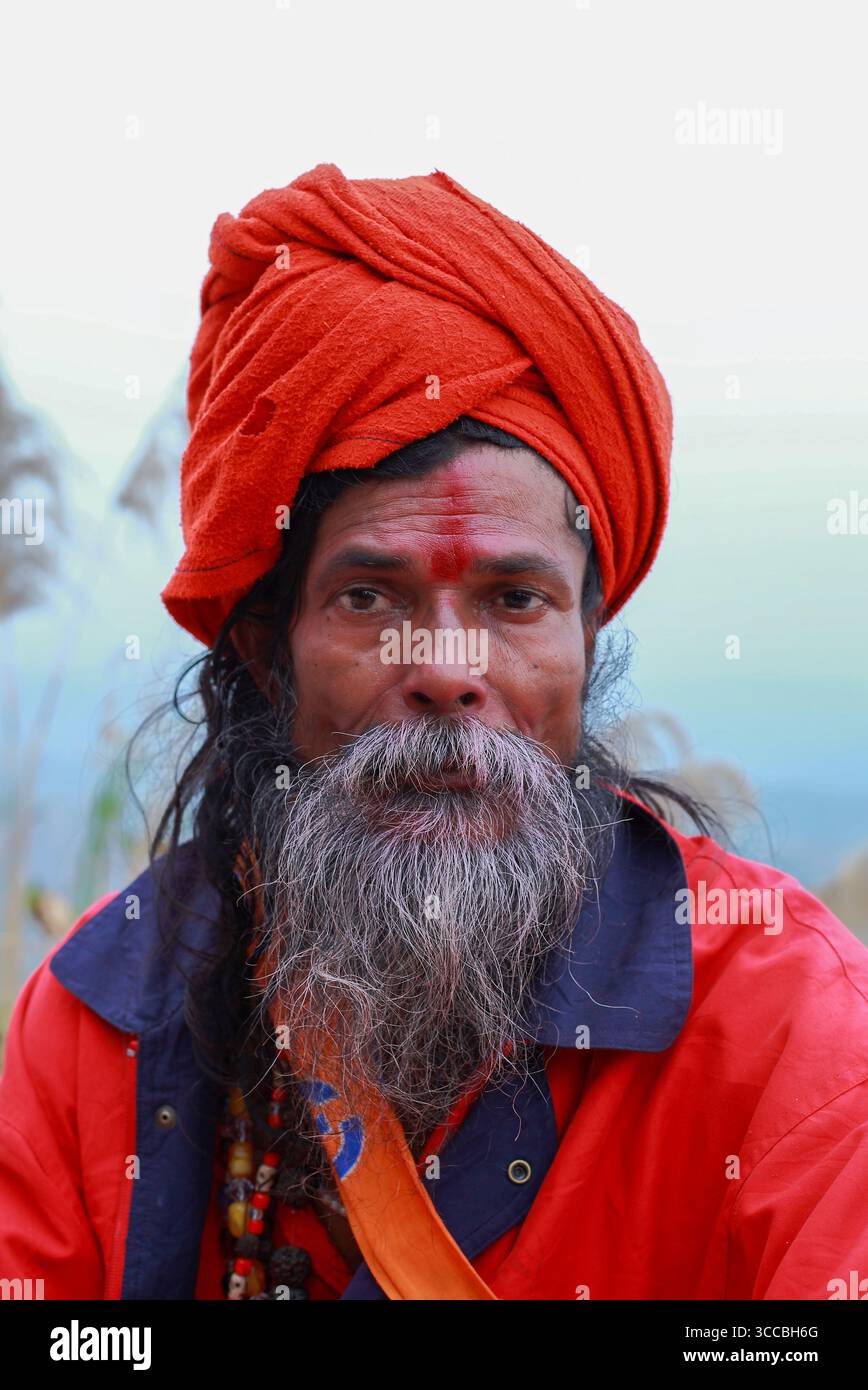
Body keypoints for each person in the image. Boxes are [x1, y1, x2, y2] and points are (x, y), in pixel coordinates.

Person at [1, 164, 867, 1302]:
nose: (448, 671)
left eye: (516, 601)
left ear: (588, 641)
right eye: (371, 598)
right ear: (267, 643)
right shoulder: (97, 1024)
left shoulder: (788, 1034)